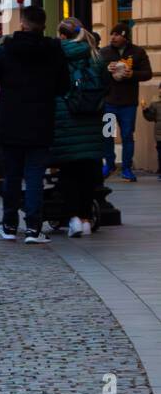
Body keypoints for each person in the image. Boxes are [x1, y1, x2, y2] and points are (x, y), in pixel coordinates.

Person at [0, 5, 70, 244]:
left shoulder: (8, 49)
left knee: (11, 175)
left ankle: (9, 224)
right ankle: (33, 228)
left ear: (22, 23)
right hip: (41, 120)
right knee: (34, 177)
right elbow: (64, 85)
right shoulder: (53, 50)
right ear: (44, 25)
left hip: (11, 121)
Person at [52, 19, 108, 237]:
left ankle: (74, 218)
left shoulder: (58, 56)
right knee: (88, 173)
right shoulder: (96, 56)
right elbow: (106, 86)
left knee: (69, 173)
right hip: (92, 122)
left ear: (62, 36)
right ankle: (85, 219)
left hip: (66, 121)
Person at [101, 21, 154, 182]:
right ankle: (109, 164)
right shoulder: (104, 52)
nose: (113, 37)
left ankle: (126, 168)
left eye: (117, 35)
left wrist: (132, 74)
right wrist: (106, 69)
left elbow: (148, 74)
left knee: (127, 136)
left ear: (125, 37)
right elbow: (95, 72)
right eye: (112, 34)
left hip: (128, 103)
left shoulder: (138, 52)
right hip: (109, 102)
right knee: (107, 135)